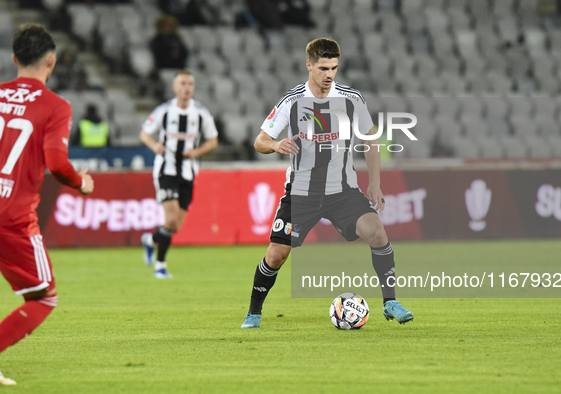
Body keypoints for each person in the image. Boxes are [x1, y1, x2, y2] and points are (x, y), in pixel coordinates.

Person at [241, 38, 413, 329]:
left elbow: (370, 138)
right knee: (277, 254)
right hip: (301, 193)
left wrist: (375, 183)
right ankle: (254, 312)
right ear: (308, 65)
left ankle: (390, 303)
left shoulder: (351, 99)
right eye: (323, 68)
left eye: (333, 67)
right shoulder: (292, 101)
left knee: (377, 232)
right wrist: (276, 144)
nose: (329, 74)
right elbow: (259, 141)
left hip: (342, 191)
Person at [0, 24, 94, 385]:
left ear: (14, 59)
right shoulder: (55, 106)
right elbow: (56, 163)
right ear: (51, 61)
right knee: (43, 298)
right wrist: (82, 183)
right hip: (11, 217)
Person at [139, 70, 218, 279]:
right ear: (175, 87)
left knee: (176, 225)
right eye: (182, 83)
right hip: (166, 170)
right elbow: (144, 133)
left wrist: (196, 152)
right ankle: (160, 265)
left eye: (190, 84)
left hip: (188, 173)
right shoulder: (164, 111)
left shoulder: (201, 113)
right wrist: (155, 145)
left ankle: (150, 239)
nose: (186, 87)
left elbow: (213, 140)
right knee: (171, 219)